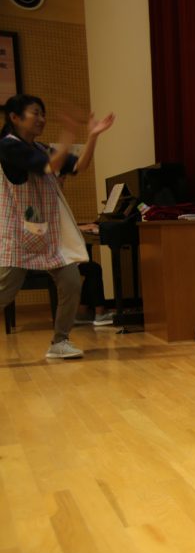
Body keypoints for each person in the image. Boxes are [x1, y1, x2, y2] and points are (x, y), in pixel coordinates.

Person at [0, 94, 114, 359]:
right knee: (5, 291)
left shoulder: (41, 148)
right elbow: (50, 167)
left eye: (43, 113)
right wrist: (69, 131)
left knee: (71, 281)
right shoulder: (7, 146)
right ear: (15, 117)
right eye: (35, 113)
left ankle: (60, 341)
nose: (42, 119)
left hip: (48, 234)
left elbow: (80, 165)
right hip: (17, 234)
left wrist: (93, 136)